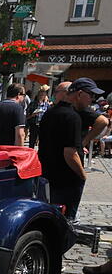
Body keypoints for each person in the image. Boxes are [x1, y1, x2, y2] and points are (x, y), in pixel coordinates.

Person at [38, 77, 104, 222]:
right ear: (79, 94)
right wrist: (82, 175)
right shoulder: (72, 117)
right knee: (66, 220)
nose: (92, 99)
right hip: (66, 177)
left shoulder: (50, 112)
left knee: (51, 216)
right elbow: (69, 153)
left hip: (48, 172)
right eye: (91, 95)